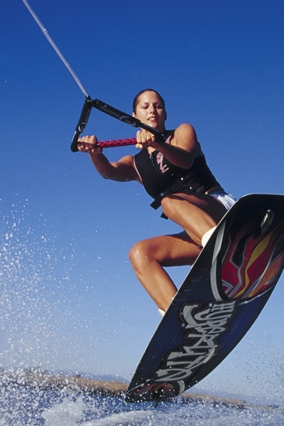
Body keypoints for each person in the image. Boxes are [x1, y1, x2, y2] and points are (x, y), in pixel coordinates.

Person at [76, 89, 236, 314]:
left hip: (222, 213)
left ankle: (226, 254)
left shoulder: (181, 132)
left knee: (168, 203)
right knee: (140, 253)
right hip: (198, 235)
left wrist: (159, 144)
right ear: (134, 115)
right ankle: (181, 318)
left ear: (165, 113)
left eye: (158, 106)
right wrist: (94, 153)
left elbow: (185, 160)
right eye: (145, 106)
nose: (153, 110)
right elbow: (110, 172)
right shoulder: (135, 163)